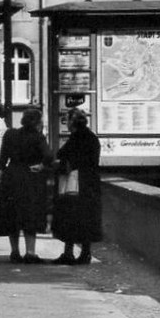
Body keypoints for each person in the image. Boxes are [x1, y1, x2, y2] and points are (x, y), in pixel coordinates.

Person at [0, 107, 54, 263]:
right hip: (30, 178)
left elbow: (2, 158)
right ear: (37, 122)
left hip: (11, 177)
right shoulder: (37, 137)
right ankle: (30, 253)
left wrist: (0, 175)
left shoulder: (10, 134)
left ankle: (15, 251)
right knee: (30, 214)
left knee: (12, 214)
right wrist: (41, 166)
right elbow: (48, 155)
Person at [52, 107, 102, 264]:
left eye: (68, 121)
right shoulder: (92, 138)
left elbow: (63, 157)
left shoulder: (75, 139)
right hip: (90, 184)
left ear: (73, 123)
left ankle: (69, 253)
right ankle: (85, 252)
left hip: (75, 184)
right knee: (86, 219)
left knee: (70, 217)